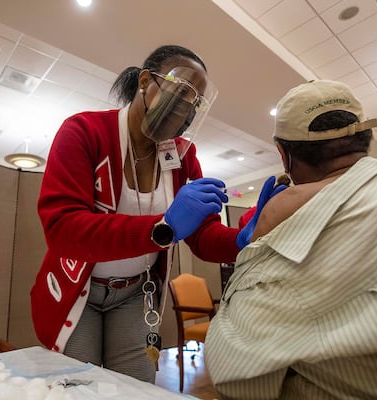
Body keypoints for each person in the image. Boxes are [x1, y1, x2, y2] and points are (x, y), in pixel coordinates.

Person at [205, 80, 377, 399]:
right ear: (367, 138)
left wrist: (259, 242)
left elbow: (229, 366)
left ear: (283, 154)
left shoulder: (285, 228)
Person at [30, 45, 280, 383]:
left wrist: (240, 239)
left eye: (196, 103)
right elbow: (63, 230)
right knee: (78, 386)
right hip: (79, 291)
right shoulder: (84, 132)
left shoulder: (181, 157)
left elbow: (201, 234)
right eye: (182, 92)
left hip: (136, 293)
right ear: (146, 81)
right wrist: (161, 228)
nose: (186, 109)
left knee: (136, 384)